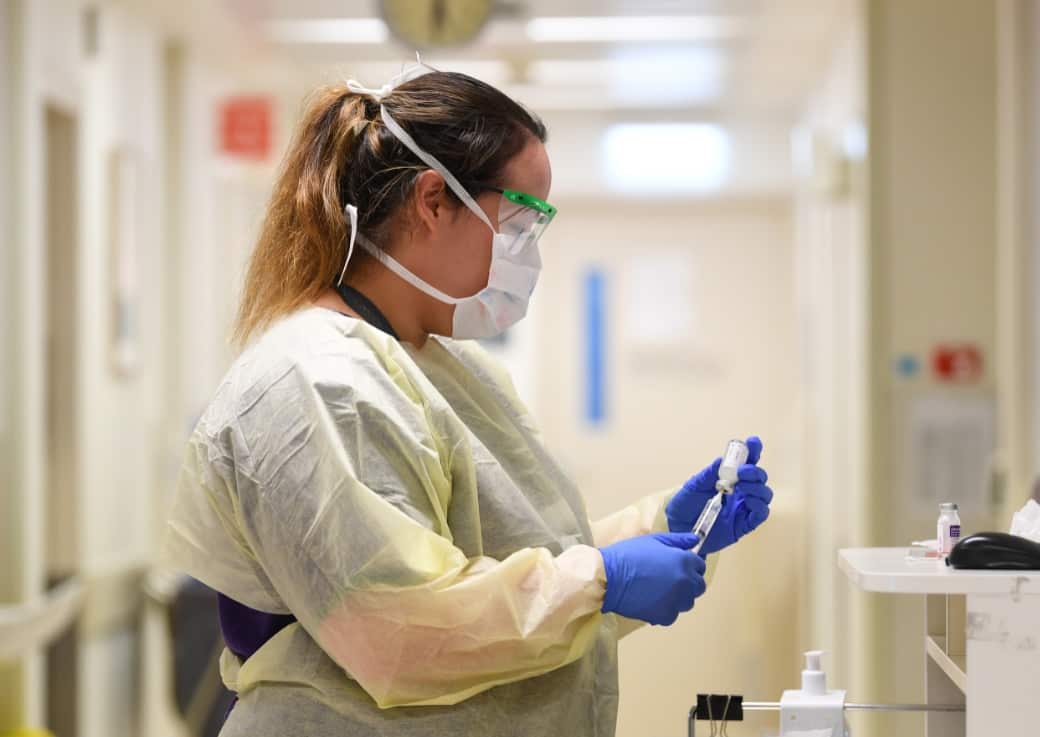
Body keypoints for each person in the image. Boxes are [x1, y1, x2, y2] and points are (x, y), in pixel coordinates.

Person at [162, 61, 774, 737]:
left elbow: (500, 564)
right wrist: (601, 578)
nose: (528, 253)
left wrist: (659, 527)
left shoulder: (438, 365)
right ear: (432, 200)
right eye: (520, 221)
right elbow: (402, 630)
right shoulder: (320, 382)